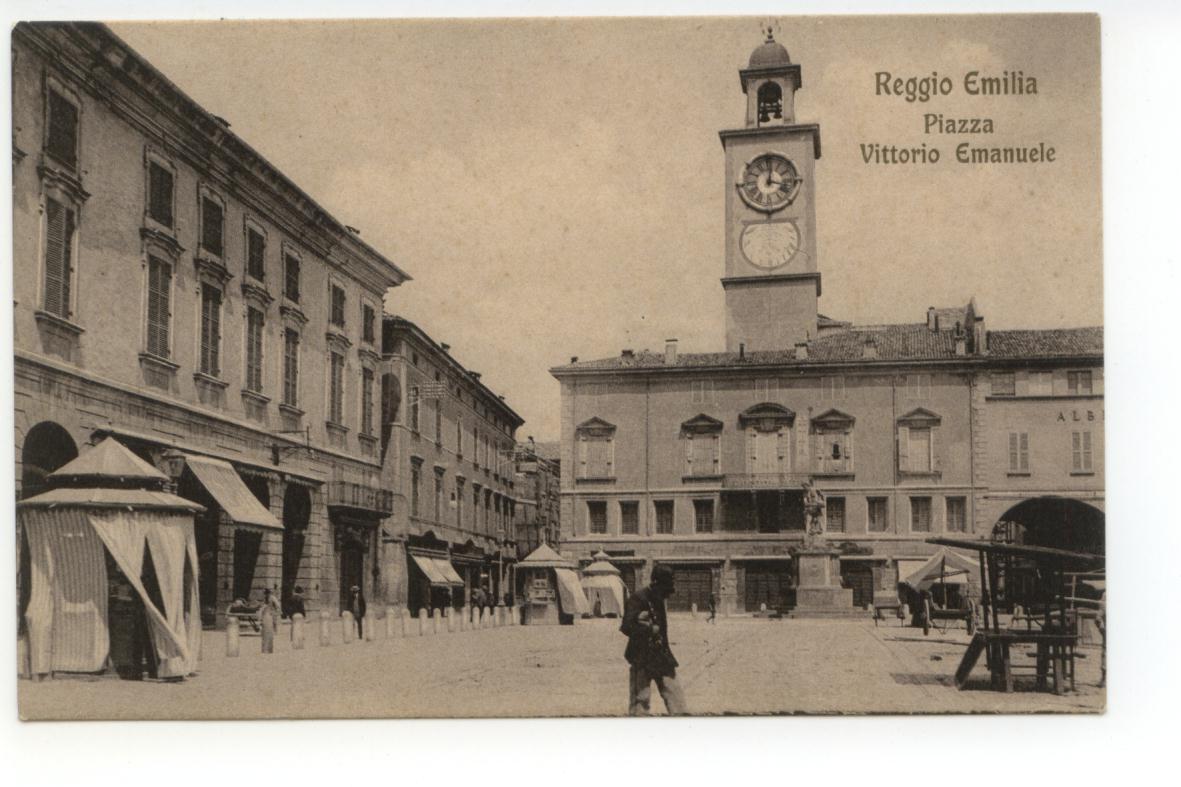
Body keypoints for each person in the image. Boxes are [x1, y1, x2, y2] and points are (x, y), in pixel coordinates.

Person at [619, 565, 687, 716]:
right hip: (641, 657)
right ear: (656, 583)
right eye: (665, 587)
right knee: (641, 701)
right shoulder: (638, 598)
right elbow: (626, 627)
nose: (667, 593)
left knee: (675, 696)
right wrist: (649, 630)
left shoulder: (659, 596)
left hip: (662, 656)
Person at [260, 589, 280, 654]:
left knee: (271, 628)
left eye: (267, 593)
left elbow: (278, 606)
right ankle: (265, 649)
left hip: (271, 615)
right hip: (265, 615)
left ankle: (269, 648)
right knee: (265, 631)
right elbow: (263, 606)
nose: (266, 595)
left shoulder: (273, 598)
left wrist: (274, 612)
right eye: (265, 594)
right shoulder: (265, 598)